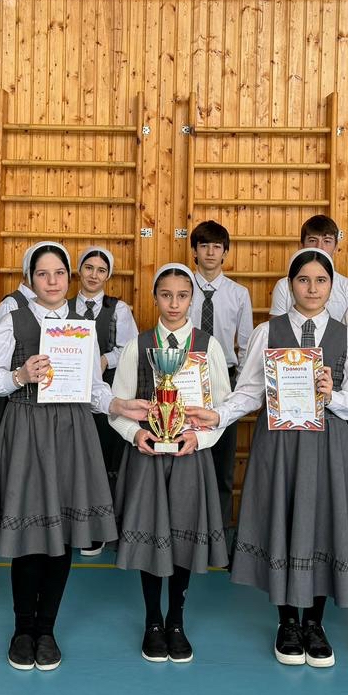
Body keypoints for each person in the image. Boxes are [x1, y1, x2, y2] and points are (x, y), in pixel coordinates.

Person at [0, 241, 149, 672]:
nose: (51, 281)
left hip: (71, 431)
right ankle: (22, 629)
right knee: (28, 537)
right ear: (30, 279)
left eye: (58, 273)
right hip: (27, 429)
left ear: (68, 279)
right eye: (42, 274)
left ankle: (46, 629)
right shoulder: (13, 319)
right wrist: (20, 375)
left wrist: (118, 405)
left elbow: (93, 388)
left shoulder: (81, 326)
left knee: (64, 533)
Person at [190, 248, 348, 668]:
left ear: (332, 286)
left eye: (320, 281)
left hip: (327, 445)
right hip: (279, 444)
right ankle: (287, 621)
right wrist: (220, 414)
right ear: (290, 286)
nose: (312, 288)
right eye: (303, 280)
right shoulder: (267, 333)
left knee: (322, 525)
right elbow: (249, 391)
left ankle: (315, 623)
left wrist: (332, 396)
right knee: (282, 522)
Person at [110, 263, 230, 664]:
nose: (174, 303)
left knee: (181, 539)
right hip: (148, 457)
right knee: (151, 539)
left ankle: (176, 621)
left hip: (189, 456)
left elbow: (222, 409)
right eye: (166, 295)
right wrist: (136, 434)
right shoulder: (138, 345)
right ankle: (152, 621)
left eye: (182, 295)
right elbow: (117, 408)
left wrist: (200, 437)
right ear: (155, 297)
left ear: (192, 298)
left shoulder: (208, 346)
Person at [71, 245, 139, 556]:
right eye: (89, 268)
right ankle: (74, 523)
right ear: (79, 271)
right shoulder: (63, 306)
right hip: (70, 394)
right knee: (76, 458)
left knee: (102, 459)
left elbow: (130, 348)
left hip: (106, 393)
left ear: (108, 275)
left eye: (101, 270)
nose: (94, 275)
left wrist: (105, 359)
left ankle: (100, 527)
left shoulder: (119, 309)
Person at [187, 219, 253, 533]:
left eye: (217, 246)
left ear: (225, 252)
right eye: (204, 246)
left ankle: (220, 530)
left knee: (223, 460)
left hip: (225, 378)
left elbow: (247, 344)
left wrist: (239, 386)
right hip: (185, 375)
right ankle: (187, 525)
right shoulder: (182, 287)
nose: (211, 252)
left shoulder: (239, 294)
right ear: (195, 251)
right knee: (186, 454)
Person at [268, 215, 348, 321]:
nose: (319, 247)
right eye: (312, 240)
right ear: (302, 245)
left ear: (336, 247)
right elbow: (276, 328)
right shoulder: (283, 286)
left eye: (327, 241)